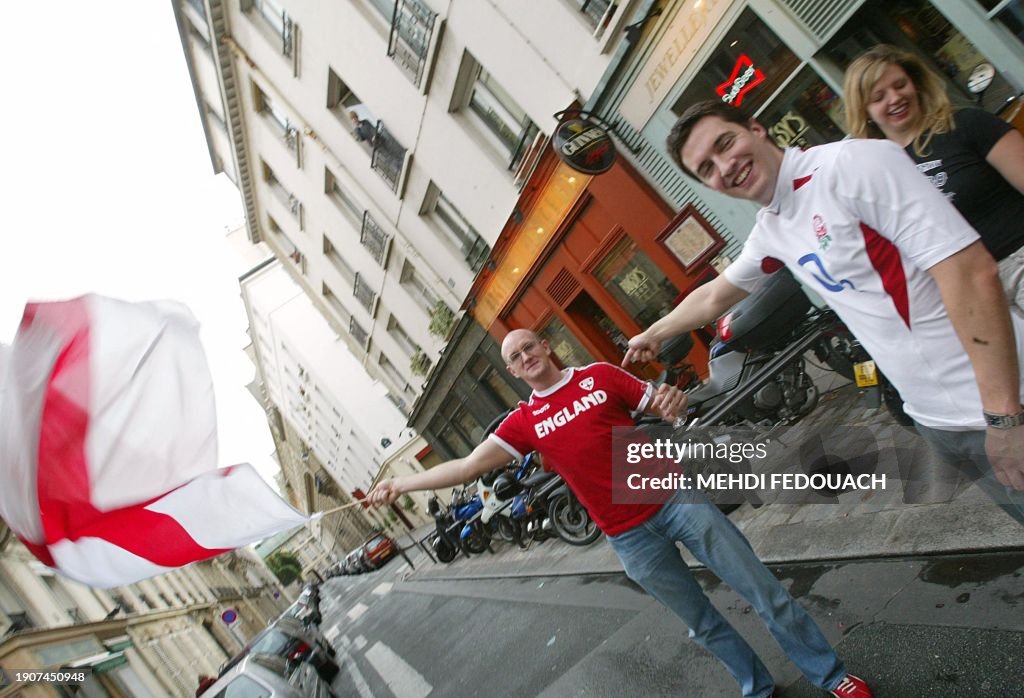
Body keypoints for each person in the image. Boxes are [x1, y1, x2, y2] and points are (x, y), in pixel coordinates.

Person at [370, 329, 872, 698]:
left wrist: (673, 405)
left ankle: (830, 676)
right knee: (702, 622)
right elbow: (465, 466)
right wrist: (401, 483)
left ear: (545, 347)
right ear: (513, 371)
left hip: (676, 500)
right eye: (514, 356)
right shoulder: (525, 422)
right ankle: (757, 688)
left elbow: (660, 403)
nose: (524, 357)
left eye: (528, 347)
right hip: (629, 537)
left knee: (761, 589)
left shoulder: (599, 376)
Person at [624, 100, 1024, 524]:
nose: (724, 166)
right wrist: (654, 332)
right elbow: (714, 297)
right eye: (706, 168)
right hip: (934, 418)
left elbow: (972, 273)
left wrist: (1004, 416)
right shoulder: (772, 226)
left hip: (999, 404)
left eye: (726, 143)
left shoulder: (853, 164)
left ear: (756, 128)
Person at [842, 44, 1024, 311]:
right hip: (975, 297)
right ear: (865, 111)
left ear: (915, 83)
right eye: (878, 96)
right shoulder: (878, 174)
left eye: (900, 85)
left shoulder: (966, 124)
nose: (894, 98)